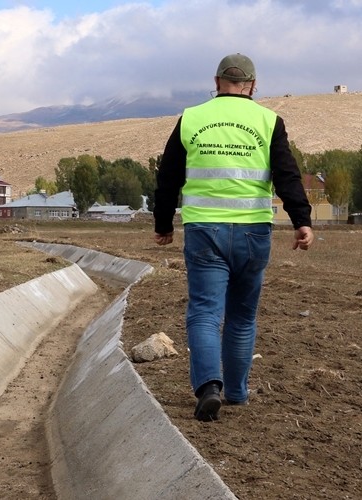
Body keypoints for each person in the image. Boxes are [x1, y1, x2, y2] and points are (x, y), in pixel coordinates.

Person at [153, 53, 314, 422]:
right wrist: (301, 220)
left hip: (204, 231)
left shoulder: (191, 118)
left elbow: (168, 178)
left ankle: (210, 387)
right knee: (242, 317)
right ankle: (238, 392)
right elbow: (287, 175)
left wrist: (163, 224)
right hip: (254, 233)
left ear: (216, 82)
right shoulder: (269, 121)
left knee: (205, 312)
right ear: (253, 85)